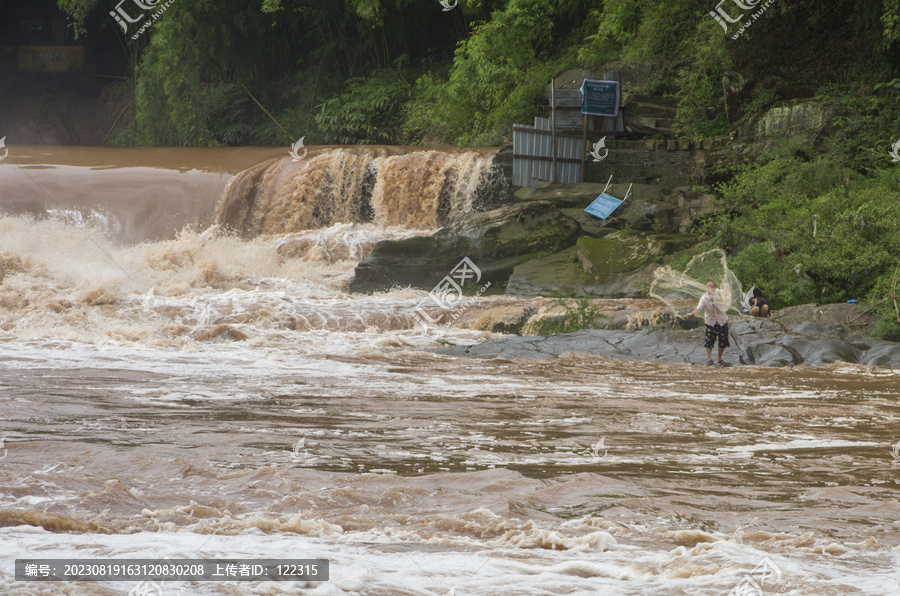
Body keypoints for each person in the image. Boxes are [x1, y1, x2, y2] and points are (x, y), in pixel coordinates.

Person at [688, 281, 729, 366]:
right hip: (710, 321)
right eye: (707, 287)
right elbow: (698, 308)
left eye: (710, 287)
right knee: (709, 339)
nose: (709, 289)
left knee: (723, 340)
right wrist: (693, 314)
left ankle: (719, 359)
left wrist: (727, 288)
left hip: (722, 320)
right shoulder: (704, 297)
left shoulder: (720, 293)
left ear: (714, 288)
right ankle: (709, 359)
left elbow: (728, 296)